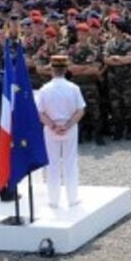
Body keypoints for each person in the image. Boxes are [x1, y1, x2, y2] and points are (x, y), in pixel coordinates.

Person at [35, 54, 85, 210]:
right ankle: (73, 198)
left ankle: (53, 200)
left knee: (52, 164)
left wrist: (53, 126)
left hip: (51, 129)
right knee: (70, 162)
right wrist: (68, 125)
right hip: (69, 128)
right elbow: (80, 110)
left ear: (51, 69)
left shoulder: (44, 89)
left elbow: (40, 113)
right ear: (65, 69)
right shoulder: (73, 88)